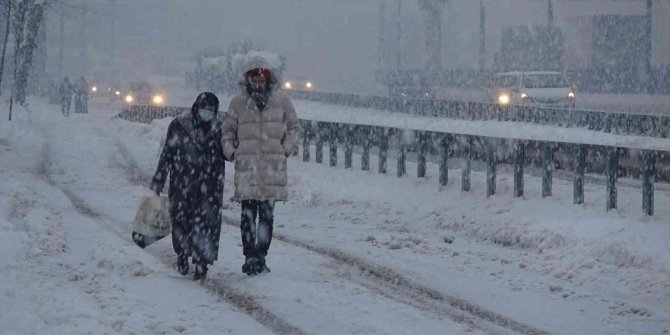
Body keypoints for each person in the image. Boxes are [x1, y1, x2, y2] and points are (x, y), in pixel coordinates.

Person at [222, 55, 301, 276]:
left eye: (261, 77)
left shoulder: (282, 101)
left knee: (266, 217)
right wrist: (232, 152)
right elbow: (227, 131)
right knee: (247, 216)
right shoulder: (237, 103)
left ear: (268, 78)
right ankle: (250, 257)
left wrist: (285, 148)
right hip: (247, 168)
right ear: (248, 79)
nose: (258, 82)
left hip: (271, 170)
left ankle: (261, 255)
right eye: (254, 78)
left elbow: (295, 128)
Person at [150, 92, 226, 281]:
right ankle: (182, 254)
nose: (207, 113)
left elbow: (229, 152)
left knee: (207, 224)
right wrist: (159, 179)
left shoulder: (221, 128)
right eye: (204, 108)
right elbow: (168, 152)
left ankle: (202, 261)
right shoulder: (179, 125)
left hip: (210, 185)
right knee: (181, 221)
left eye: (211, 110)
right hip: (182, 182)